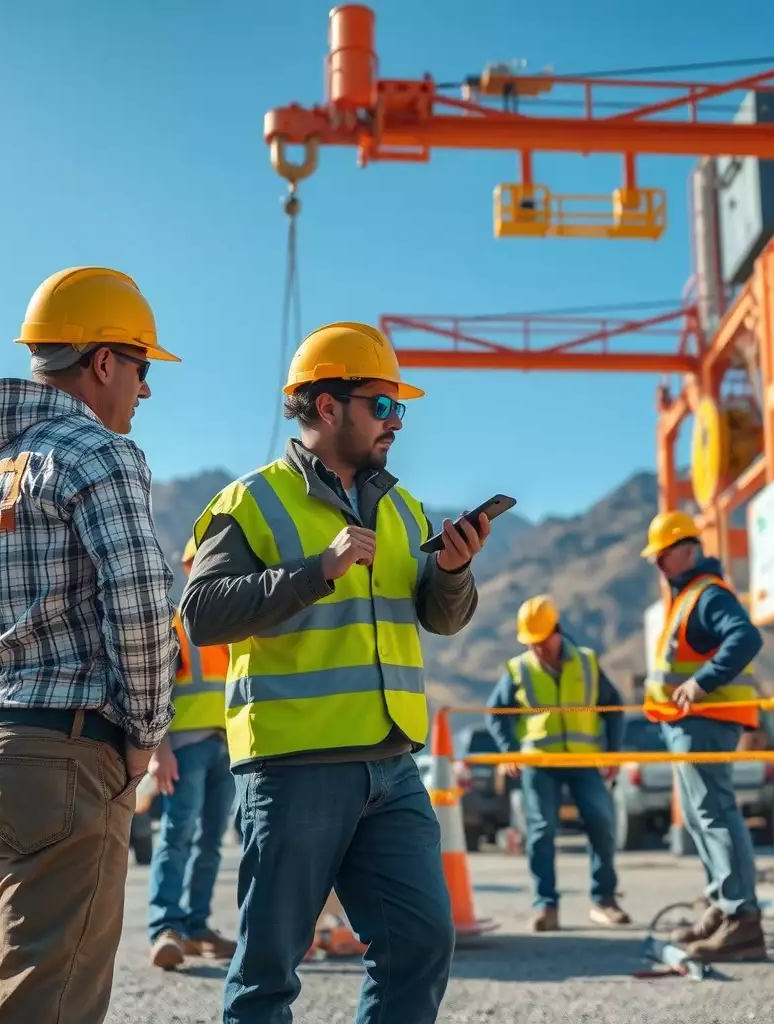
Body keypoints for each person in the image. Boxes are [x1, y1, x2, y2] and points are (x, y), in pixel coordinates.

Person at [179, 321, 490, 1024]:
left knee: (420, 943)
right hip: (293, 767)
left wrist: (454, 569)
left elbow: (442, 619)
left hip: (390, 764)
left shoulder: (404, 508)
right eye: (382, 405)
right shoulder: (249, 503)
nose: (396, 423)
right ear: (327, 407)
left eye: (399, 409)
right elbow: (201, 614)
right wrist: (317, 571)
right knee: (267, 971)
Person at [0, 267, 180, 1023]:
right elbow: (143, 602)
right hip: (60, 761)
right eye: (142, 367)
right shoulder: (95, 451)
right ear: (104, 361)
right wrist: (144, 734)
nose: (144, 390)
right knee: (51, 1005)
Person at [640, 510, 765, 961]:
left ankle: (741, 917)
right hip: (690, 723)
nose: (657, 565)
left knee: (714, 813)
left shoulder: (707, 595)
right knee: (701, 817)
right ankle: (722, 904)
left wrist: (701, 683)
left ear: (686, 550)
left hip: (706, 720)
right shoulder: (689, 596)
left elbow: (746, 637)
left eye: (662, 556)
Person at [485, 594, 630, 932]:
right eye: (531, 643)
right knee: (540, 833)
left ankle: (604, 900)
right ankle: (545, 906)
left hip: (584, 760)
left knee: (602, 823)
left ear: (557, 631)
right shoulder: (519, 668)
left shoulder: (587, 663)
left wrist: (612, 753)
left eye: (542, 641)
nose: (537, 648)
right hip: (540, 763)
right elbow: (496, 713)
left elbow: (615, 706)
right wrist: (509, 750)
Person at [147, 537, 237, 970]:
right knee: (176, 836)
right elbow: (153, 689)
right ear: (188, 568)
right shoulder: (173, 623)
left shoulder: (234, 622)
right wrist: (158, 749)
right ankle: (167, 928)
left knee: (211, 845)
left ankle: (197, 927)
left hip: (229, 748)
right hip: (183, 748)